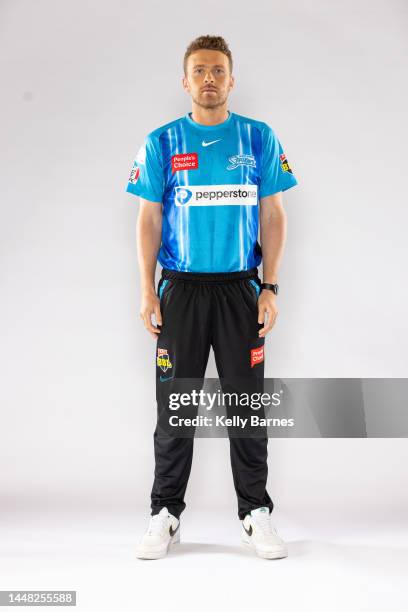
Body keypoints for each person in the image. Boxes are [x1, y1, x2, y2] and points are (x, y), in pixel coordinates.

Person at [125, 35, 298, 560]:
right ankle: (165, 513)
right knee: (176, 406)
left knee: (246, 407)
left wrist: (269, 286)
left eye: (217, 70)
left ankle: (255, 512)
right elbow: (149, 218)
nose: (208, 78)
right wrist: (145, 292)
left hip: (240, 290)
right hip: (180, 290)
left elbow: (273, 215)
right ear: (184, 80)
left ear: (231, 79)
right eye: (198, 70)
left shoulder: (257, 138)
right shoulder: (161, 142)